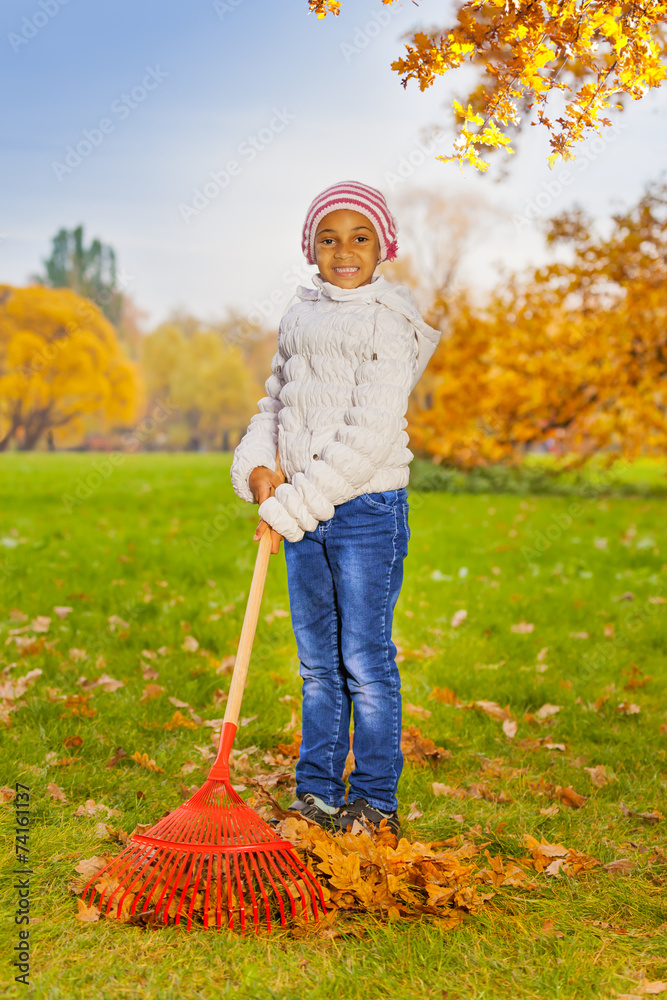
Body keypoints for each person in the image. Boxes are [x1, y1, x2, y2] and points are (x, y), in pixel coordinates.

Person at [230, 180, 441, 837]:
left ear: (383, 247)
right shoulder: (299, 317)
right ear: (309, 247)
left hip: (364, 509)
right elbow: (276, 403)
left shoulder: (388, 321)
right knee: (318, 664)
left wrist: (294, 505)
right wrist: (260, 466)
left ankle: (375, 804)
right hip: (300, 508)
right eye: (329, 237)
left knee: (363, 661)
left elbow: (367, 434)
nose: (343, 250)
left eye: (359, 238)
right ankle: (315, 796)